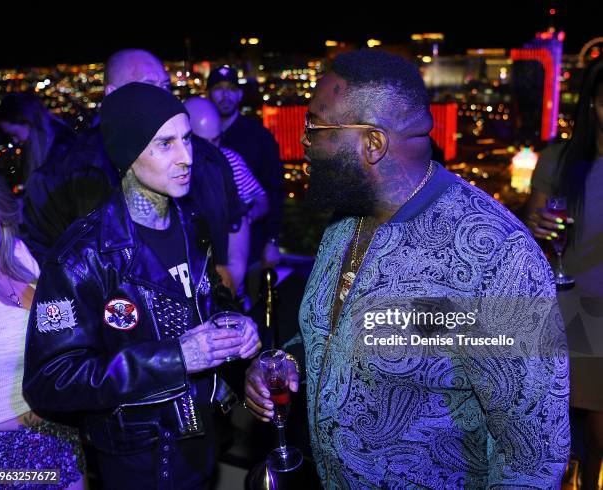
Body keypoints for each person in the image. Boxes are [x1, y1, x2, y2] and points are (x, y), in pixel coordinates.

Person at [245, 49, 569, 488]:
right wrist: (285, 362)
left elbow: (534, 455)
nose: (303, 140)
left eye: (314, 128)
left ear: (372, 144)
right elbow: (333, 334)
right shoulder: (346, 221)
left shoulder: (496, 259)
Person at [22, 83, 261, 489]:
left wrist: (236, 324)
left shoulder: (192, 225)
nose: (187, 158)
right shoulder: (84, 255)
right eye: (165, 144)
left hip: (203, 442)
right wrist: (176, 358)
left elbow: (210, 300)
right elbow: (50, 382)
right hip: (140, 461)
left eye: (187, 140)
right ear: (129, 155)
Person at [22, 49, 247, 279]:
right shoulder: (66, 174)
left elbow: (235, 218)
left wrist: (234, 276)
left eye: (166, 87)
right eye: (148, 87)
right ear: (113, 95)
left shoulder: (206, 156)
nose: (162, 97)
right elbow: (43, 261)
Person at [526, 57, 603, 489]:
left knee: (598, 442)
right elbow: (530, 233)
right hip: (564, 313)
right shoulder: (559, 160)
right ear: (592, 103)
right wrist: (535, 226)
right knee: (554, 440)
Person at [0, 171, 85, 489]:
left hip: (60, 428)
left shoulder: (18, 254)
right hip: (4, 450)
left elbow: (61, 330)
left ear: (0, 213)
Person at [185, 96, 269, 290]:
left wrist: (241, 218)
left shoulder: (231, 161)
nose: (212, 150)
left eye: (216, 140)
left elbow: (262, 200)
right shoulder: (175, 170)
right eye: (204, 143)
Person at [207, 66, 283, 268]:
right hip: (209, 247)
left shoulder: (259, 136)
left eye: (231, 89)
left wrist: (272, 240)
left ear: (240, 94)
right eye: (218, 89)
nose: (225, 95)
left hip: (253, 241)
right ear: (208, 94)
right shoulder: (196, 135)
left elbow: (274, 190)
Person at [0, 93, 75, 184]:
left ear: (27, 122)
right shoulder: (51, 144)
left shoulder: (61, 151)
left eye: (14, 134)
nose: (15, 140)